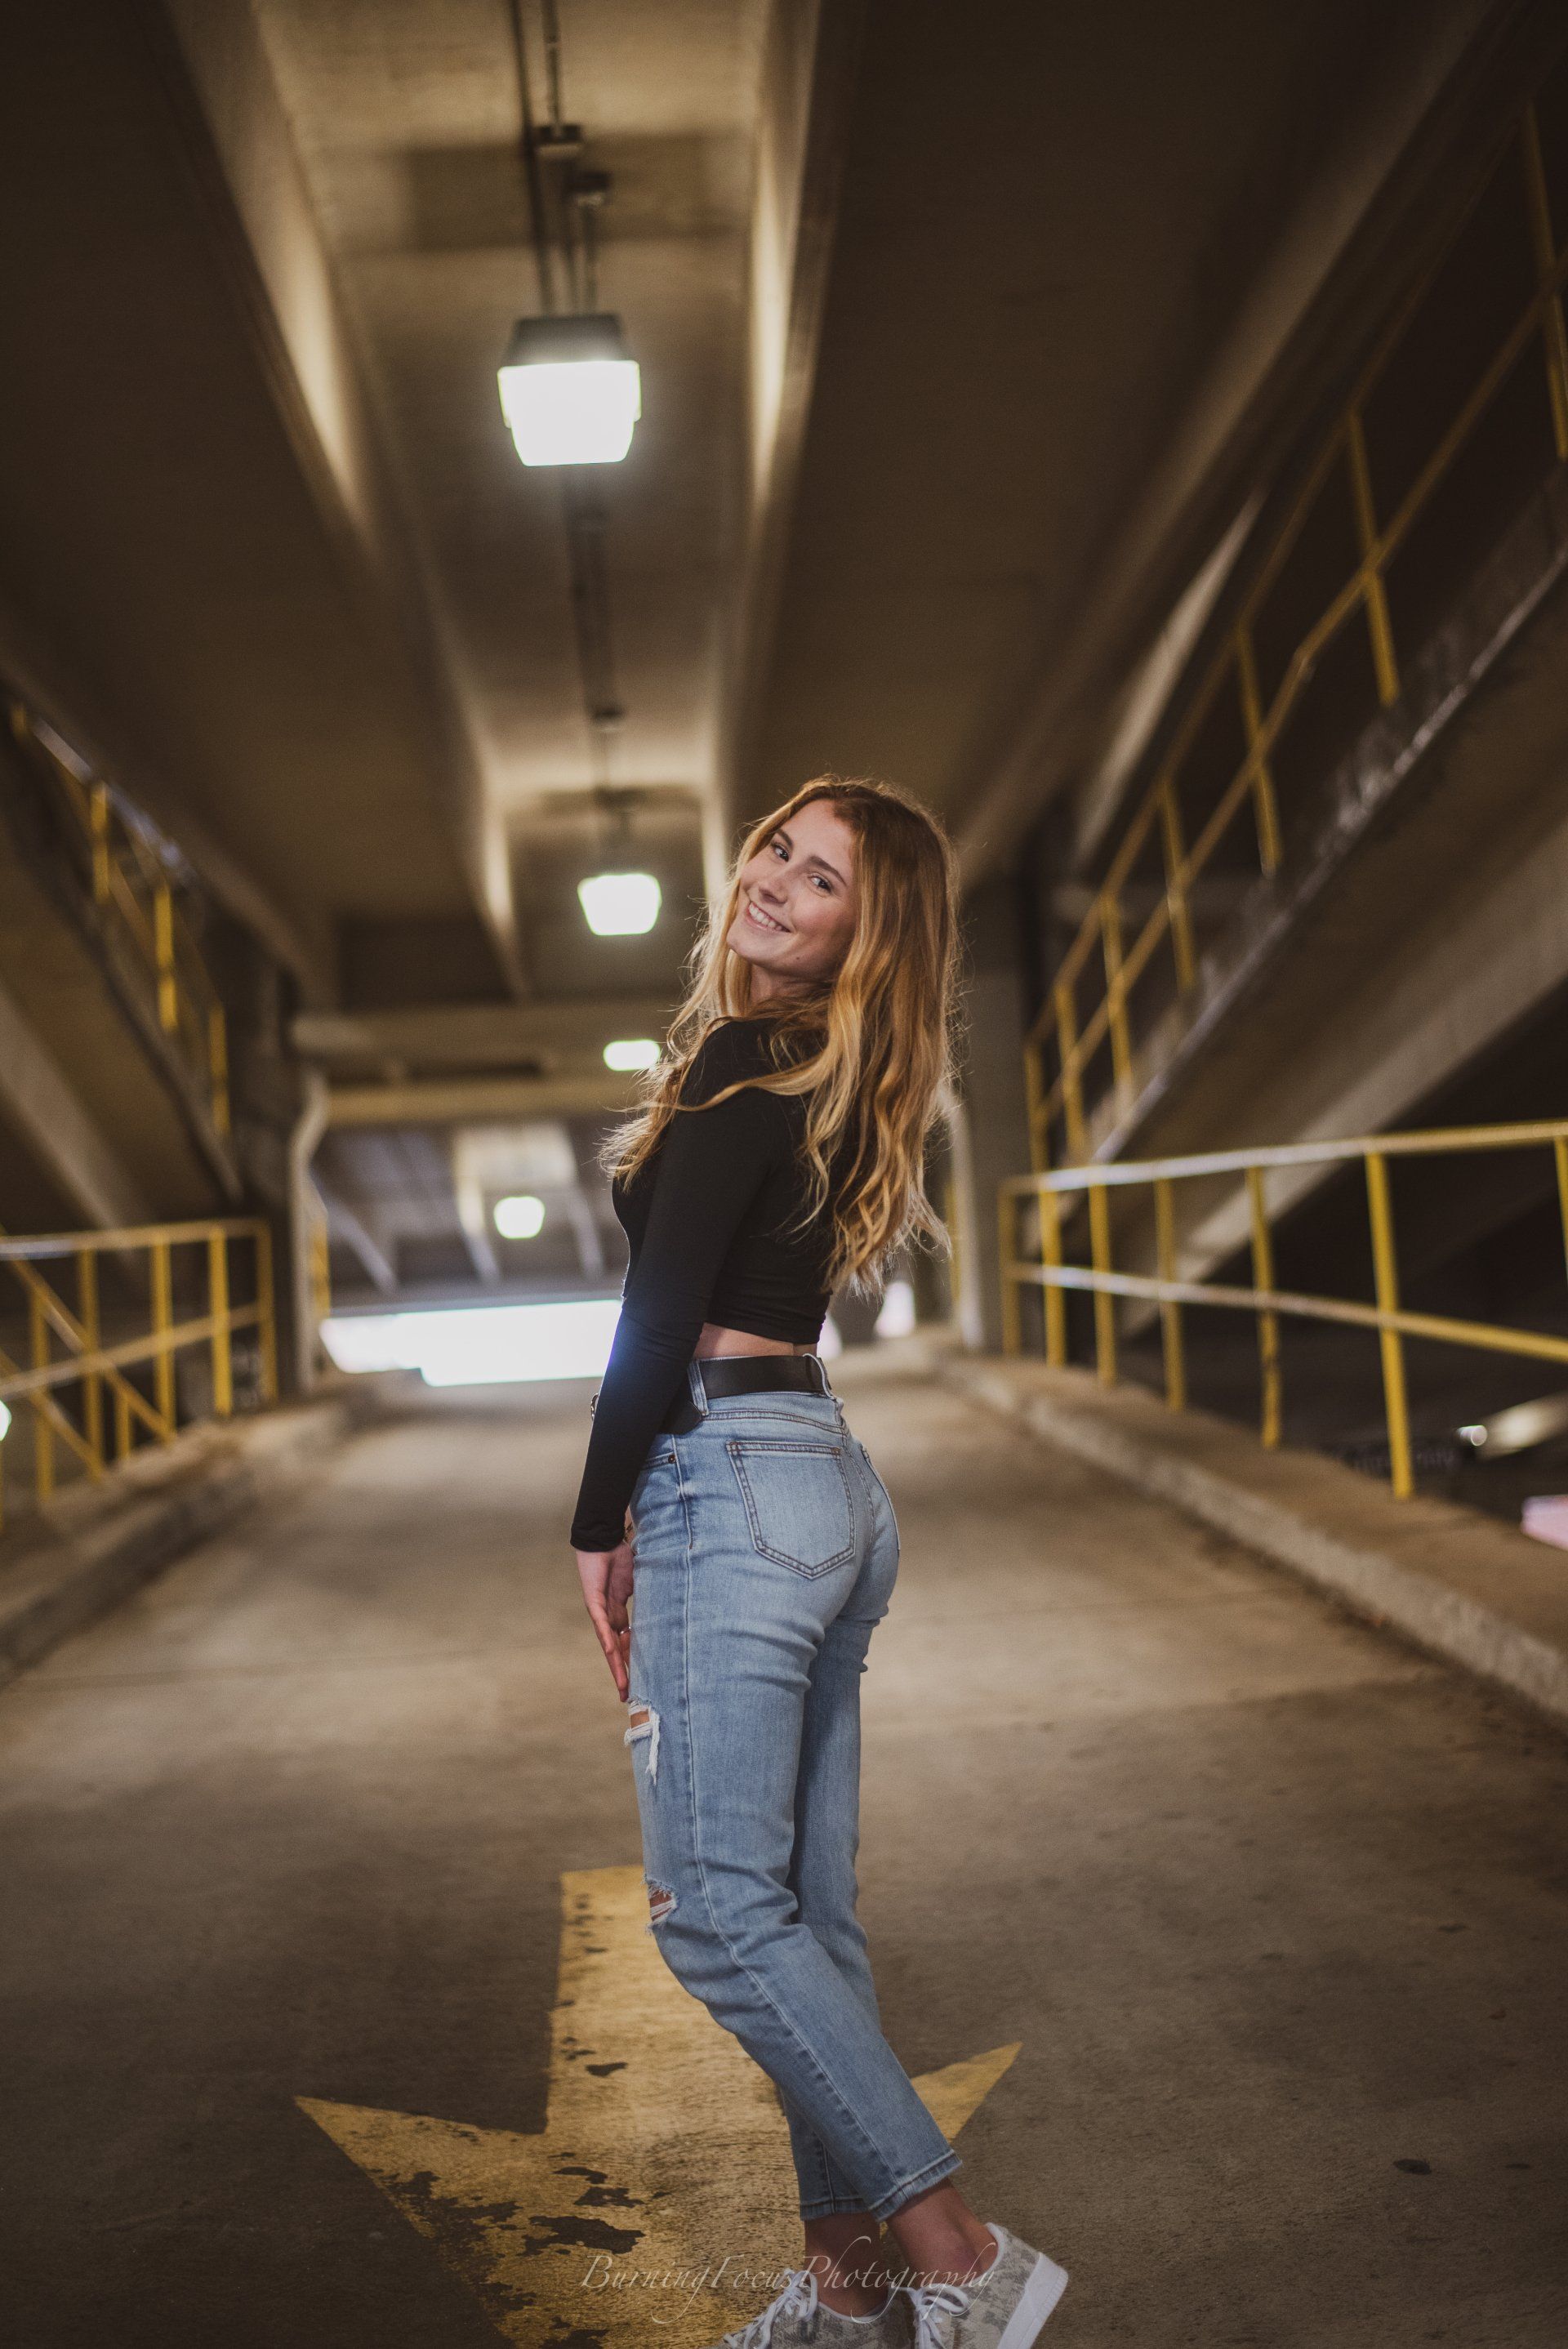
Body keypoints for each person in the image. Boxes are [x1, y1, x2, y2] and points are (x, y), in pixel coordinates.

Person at [569, 777, 1070, 2348]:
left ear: (874, 931)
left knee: (717, 1913)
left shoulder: (746, 1055)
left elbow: (658, 1321)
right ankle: (851, 2294)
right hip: (823, 1482)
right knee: (805, 1919)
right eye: (777, 849)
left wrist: (600, 1522)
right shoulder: (842, 1071)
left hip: (730, 1474)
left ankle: (961, 2256)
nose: (778, 882)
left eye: (825, 878)